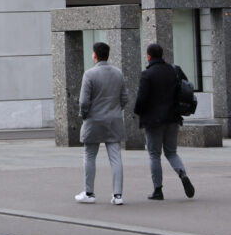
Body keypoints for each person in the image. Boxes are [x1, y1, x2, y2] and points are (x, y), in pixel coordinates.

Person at [133, 43, 195, 201]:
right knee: (172, 153)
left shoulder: (147, 74)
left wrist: (138, 113)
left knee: (154, 155)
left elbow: (141, 98)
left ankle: (158, 190)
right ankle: (183, 175)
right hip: (173, 117)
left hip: (153, 121)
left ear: (148, 56)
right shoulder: (174, 70)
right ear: (162, 55)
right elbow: (185, 87)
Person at [75, 42, 128, 205]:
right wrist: (116, 110)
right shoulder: (118, 73)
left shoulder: (89, 74)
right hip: (114, 120)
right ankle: (117, 195)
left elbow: (84, 101)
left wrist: (84, 115)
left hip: (94, 120)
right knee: (116, 158)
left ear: (95, 55)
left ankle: (89, 193)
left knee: (90, 155)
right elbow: (125, 98)